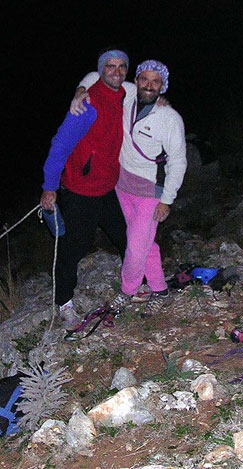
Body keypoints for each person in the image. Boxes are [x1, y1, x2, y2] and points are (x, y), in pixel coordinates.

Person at [71, 59, 187, 316]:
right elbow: (96, 75)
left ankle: (127, 291)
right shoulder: (129, 94)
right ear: (136, 81)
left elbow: (178, 162)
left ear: (162, 87)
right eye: (144, 79)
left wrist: (167, 200)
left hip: (151, 191)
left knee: (134, 246)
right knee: (145, 243)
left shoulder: (169, 118)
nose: (149, 85)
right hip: (123, 186)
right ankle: (160, 289)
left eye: (155, 82)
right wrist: (81, 90)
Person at [40, 49, 129, 329]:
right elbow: (60, 145)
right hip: (80, 191)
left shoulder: (126, 96)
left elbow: (149, 89)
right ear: (101, 71)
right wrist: (50, 187)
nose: (116, 71)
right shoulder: (88, 104)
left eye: (121, 67)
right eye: (110, 67)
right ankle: (64, 303)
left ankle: (134, 285)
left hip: (108, 188)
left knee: (128, 238)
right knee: (73, 248)